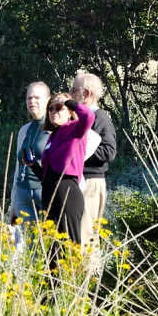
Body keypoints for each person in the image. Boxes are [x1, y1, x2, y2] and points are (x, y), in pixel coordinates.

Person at [26, 93, 94, 246]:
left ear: (70, 113)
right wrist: (33, 165)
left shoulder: (76, 128)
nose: (53, 112)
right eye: (50, 108)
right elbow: (46, 176)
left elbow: (89, 116)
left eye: (58, 108)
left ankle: (73, 270)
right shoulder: (53, 135)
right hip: (50, 190)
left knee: (69, 244)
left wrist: (69, 102)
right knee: (52, 245)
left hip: (66, 190)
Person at [71, 71, 117, 252]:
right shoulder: (77, 118)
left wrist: (78, 150)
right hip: (77, 181)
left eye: (73, 89)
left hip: (91, 182)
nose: (71, 93)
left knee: (86, 236)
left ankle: (89, 278)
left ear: (87, 94)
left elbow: (109, 152)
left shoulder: (101, 119)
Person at [10, 81, 51, 228]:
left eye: (37, 98)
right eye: (29, 98)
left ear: (48, 100)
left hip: (46, 193)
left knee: (50, 241)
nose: (32, 101)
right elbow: (18, 167)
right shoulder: (24, 130)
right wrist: (13, 204)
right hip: (23, 193)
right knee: (28, 244)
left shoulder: (57, 127)